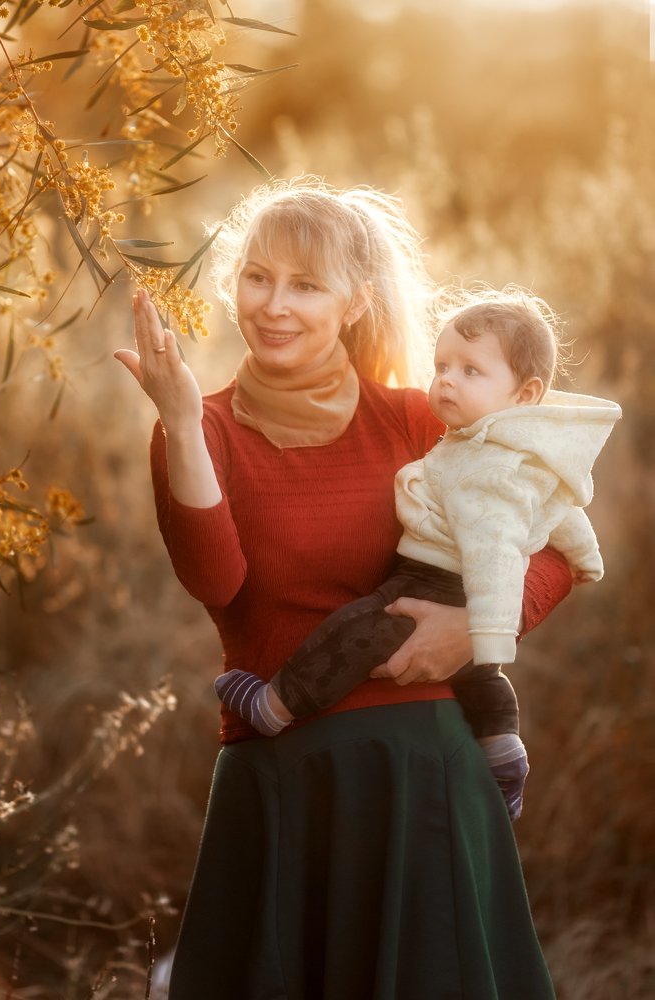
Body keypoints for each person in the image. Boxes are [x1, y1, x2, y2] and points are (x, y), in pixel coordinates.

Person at [115, 177, 574, 999]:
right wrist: (180, 423)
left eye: (305, 284)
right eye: (258, 277)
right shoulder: (201, 425)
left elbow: (556, 543)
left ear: (355, 301)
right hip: (280, 781)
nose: (274, 305)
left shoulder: (416, 418)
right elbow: (217, 581)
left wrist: (475, 632)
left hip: (424, 778)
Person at [216, 290, 621, 821]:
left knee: (357, 629)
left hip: (433, 583)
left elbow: (496, 552)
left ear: (525, 395)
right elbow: (559, 512)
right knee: (482, 681)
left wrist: (488, 630)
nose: (447, 380)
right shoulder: (511, 451)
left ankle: (273, 706)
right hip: (456, 591)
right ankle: (504, 753)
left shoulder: (489, 467)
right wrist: (587, 557)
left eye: (471, 371)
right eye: (442, 365)